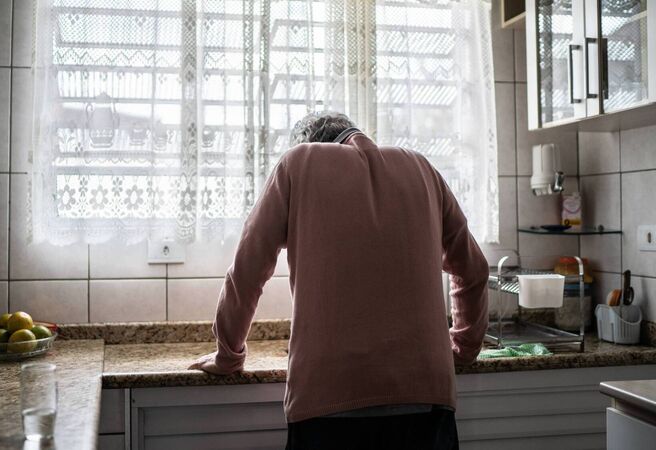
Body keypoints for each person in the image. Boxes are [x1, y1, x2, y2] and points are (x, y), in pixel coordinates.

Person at [189, 111, 489, 450]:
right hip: (426, 399)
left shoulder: (297, 163)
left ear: (312, 144)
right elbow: (474, 270)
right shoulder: (422, 168)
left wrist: (228, 354)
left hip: (328, 403)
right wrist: (463, 348)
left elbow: (248, 269)